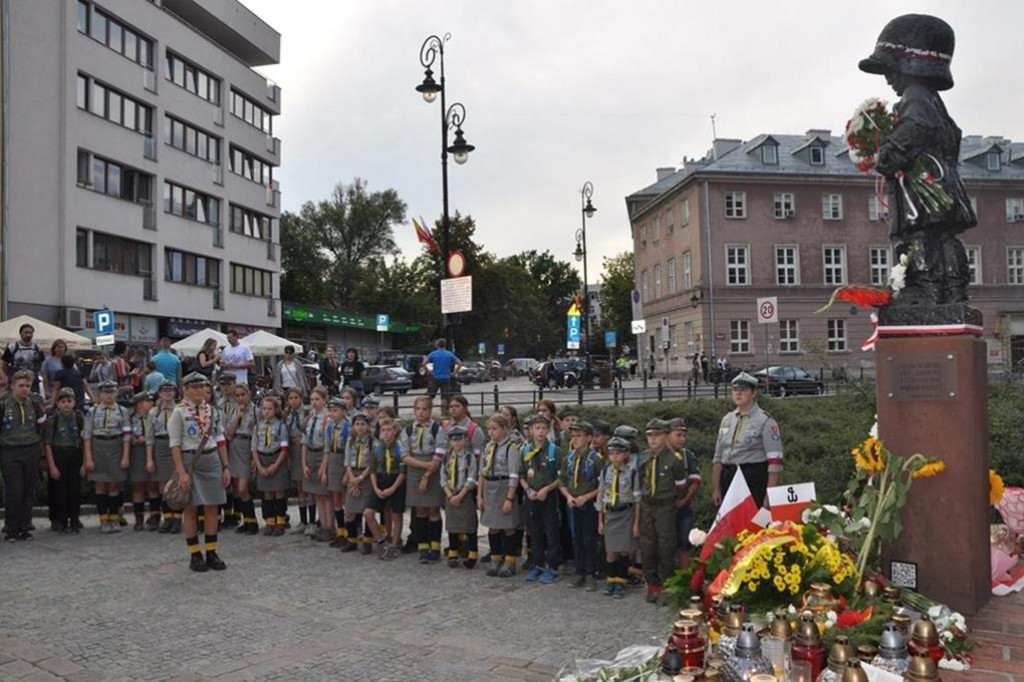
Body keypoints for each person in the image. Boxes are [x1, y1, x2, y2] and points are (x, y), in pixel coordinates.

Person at [168, 372, 230, 573]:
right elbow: (175, 445)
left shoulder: (212, 411)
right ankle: (195, 554)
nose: (199, 391)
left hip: (211, 460)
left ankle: (212, 551)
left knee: (213, 508)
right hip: (189, 461)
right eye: (194, 387)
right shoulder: (178, 413)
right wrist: (181, 473)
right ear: (185, 390)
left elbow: (220, 439)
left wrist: (226, 466)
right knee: (191, 509)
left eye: (202, 386)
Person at [712, 372, 784, 510]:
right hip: (728, 477)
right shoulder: (727, 420)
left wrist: (769, 494)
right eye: (735, 390)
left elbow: (775, 462)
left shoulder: (766, 421)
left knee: (753, 526)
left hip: (752, 478)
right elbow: (718, 457)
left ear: (753, 393)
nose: (738, 393)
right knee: (730, 528)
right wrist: (716, 488)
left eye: (743, 390)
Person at [638, 418, 689, 605]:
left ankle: (669, 585)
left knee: (666, 546)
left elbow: (682, 485)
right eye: (649, 435)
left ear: (666, 436)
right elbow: (641, 479)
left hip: (665, 506)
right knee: (648, 545)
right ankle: (653, 584)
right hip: (648, 505)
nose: (653, 439)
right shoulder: (643, 457)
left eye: (657, 435)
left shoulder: (673, 460)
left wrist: (674, 500)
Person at [0, 370, 47, 541]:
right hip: (10, 451)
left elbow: (42, 424)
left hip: (31, 449)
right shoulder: (4, 404)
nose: (24, 389)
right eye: (21, 386)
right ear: (12, 386)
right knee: (14, 491)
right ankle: (11, 528)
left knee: (29, 490)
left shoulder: (33, 404)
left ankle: (24, 527)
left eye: (27, 386)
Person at [82, 380, 131, 534]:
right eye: (105, 392)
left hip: (115, 447)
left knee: (114, 485)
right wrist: (88, 458)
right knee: (100, 485)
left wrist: (125, 456)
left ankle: (114, 518)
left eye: (112, 392)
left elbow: (127, 435)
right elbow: (87, 436)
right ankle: (103, 519)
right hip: (98, 447)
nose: (109, 395)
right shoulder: (93, 411)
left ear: (116, 393)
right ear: (99, 394)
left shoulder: (123, 411)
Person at [559, 421, 603, 591]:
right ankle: (579, 572)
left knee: (589, 539)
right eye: (573, 436)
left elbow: (603, 485)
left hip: (589, 503)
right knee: (576, 538)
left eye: (579, 436)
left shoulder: (596, 460)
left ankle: (591, 573)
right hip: (572, 502)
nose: (575, 439)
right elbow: (562, 481)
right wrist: (568, 497)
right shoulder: (568, 459)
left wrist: (586, 496)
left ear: (589, 438)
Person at [520, 414, 562, 584]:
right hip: (531, 495)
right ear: (530, 431)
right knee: (534, 531)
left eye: (544, 428)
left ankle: (553, 566)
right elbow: (521, 474)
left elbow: (562, 477)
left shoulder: (555, 451)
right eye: (537, 428)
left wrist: (547, 489)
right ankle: (538, 564)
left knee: (551, 531)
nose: (540, 432)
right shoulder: (525, 450)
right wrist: (527, 489)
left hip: (549, 495)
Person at [401, 396, 444, 563]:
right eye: (418, 409)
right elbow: (405, 455)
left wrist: (428, 473)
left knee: (433, 509)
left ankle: (435, 546)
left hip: (433, 469)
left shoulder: (436, 429)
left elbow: (439, 453)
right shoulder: (408, 430)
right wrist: (424, 466)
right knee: (420, 509)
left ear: (430, 411)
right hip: (415, 468)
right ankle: (423, 546)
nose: (421, 412)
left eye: (424, 409)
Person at [478, 413, 521, 578]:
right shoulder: (488, 447)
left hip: (504, 487)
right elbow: (482, 473)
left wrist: (509, 498)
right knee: (493, 525)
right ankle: (495, 558)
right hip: (489, 486)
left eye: (495, 429)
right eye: (489, 429)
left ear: (504, 429)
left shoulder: (511, 448)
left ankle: (510, 561)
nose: (491, 432)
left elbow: (514, 475)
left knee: (508, 526)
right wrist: (479, 496)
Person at [597, 436, 640, 598]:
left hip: (626, 513)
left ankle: (621, 582)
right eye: (611, 453)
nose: (614, 456)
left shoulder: (632, 473)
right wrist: (600, 520)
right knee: (610, 551)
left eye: (618, 453)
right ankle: (611, 580)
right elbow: (600, 497)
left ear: (626, 455)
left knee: (624, 551)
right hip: (610, 514)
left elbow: (637, 499)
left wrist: (636, 523)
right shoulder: (605, 472)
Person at [43, 387, 84, 534]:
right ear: (58, 404)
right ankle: (60, 520)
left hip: (75, 454)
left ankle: (74, 519)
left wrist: (85, 463)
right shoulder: (53, 420)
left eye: (69, 401)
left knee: (74, 489)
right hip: (58, 454)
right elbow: (47, 443)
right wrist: (52, 466)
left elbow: (84, 440)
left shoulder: (79, 418)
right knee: (59, 490)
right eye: (63, 401)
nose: (66, 404)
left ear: (74, 402)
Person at [365, 417, 406, 561]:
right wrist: (376, 488)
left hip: (396, 482)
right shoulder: (377, 448)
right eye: (383, 430)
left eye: (389, 430)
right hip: (381, 481)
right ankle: (381, 541)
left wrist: (392, 489)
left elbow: (402, 473)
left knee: (396, 515)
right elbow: (372, 471)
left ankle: (394, 544)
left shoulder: (400, 448)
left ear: (395, 431)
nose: (386, 433)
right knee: (368, 513)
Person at [440, 424, 479, 569]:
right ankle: (453, 552)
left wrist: (461, 495)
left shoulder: (469, 458)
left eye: (460, 439)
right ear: (450, 441)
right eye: (454, 440)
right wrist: (450, 495)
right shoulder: (447, 457)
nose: (457, 443)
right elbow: (443, 477)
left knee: (469, 525)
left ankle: (472, 554)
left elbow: (471, 477)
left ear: (465, 440)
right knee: (452, 526)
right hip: (451, 494)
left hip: (465, 495)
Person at [667, 417, 702, 570]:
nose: (682, 439)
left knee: (684, 543)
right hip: (663, 508)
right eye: (678, 435)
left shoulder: (687, 456)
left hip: (683, 507)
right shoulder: (659, 455)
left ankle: (685, 579)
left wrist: (684, 500)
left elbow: (695, 481)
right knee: (665, 544)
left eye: (684, 435)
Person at [252, 396, 289, 537]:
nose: (266, 412)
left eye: (269, 409)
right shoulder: (258, 426)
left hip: (277, 459)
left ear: (275, 410)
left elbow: (284, 448)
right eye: (264, 409)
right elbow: (254, 447)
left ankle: (280, 522)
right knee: (267, 493)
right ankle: (269, 521)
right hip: (263, 458)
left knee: (278, 491)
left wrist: (275, 465)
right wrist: (259, 466)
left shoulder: (281, 426)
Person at [226, 383, 260, 535]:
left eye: (243, 394)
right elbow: (228, 433)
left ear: (249, 394)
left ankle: (253, 522)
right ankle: (246, 521)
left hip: (248, 446)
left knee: (243, 487)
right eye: (237, 395)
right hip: (234, 446)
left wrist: (254, 456)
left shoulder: (256, 411)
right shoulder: (233, 410)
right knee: (236, 488)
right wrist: (237, 417)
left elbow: (258, 433)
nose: (240, 398)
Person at [149, 380, 180, 534]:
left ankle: (177, 518)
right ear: (159, 393)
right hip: (160, 445)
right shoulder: (153, 412)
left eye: (170, 390)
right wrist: (149, 458)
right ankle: (167, 518)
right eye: (164, 391)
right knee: (163, 485)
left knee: (177, 483)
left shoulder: (180, 410)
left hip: (176, 445)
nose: (168, 394)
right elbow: (150, 437)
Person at [300, 387, 331, 542]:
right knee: (317, 495)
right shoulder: (311, 418)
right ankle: (323, 525)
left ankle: (328, 526)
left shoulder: (328, 418)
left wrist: (323, 468)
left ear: (325, 400)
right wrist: (304, 463)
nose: (314, 402)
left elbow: (327, 445)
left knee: (325, 494)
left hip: (322, 455)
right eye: (312, 399)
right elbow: (304, 441)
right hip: (311, 454)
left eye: (317, 399)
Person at [283, 387, 314, 534]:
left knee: (309, 487)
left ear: (301, 398)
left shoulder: (307, 412)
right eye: (291, 398)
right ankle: (303, 520)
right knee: (299, 486)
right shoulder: (287, 414)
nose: (293, 401)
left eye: (296, 397)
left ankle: (313, 521)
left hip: (304, 449)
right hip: (293, 451)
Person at [342, 411, 375, 554]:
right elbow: (347, 461)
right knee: (350, 510)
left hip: (365, 475)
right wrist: (352, 479)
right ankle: (352, 540)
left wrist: (360, 478)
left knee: (366, 509)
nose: (360, 427)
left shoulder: (373, 441)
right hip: (352, 474)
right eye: (357, 424)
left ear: (368, 426)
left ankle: (368, 540)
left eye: (363, 424)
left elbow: (372, 463)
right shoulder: (350, 440)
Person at [127, 391, 158, 531]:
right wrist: (132, 438)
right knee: (138, 485)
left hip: (152, 450)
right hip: (137, 453)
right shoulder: (130, 418)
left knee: (152, 485)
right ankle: (138, 518)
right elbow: (125, 432)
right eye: (148, 401)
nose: (151, 404)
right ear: (139, 404)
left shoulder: (155, 416)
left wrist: (146, 438)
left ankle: (155, 516)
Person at [319, 396, 348, 544]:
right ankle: (340, 531)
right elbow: (326, 449)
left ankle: (350, 532)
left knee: (346, 499)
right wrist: (324, 470)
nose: (332, 414)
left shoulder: (348, 427)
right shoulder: (329, 427)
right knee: (336, 499)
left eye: (336, 410)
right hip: (333, 462)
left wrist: (347, 471)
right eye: (330, 410)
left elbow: (350, 450)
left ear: (343, 411)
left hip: (344, 461)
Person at [2, 324, 44, 390]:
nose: (28, 335)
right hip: (15, 381)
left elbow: (41, 363)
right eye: (26, 332)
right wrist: (11, 376)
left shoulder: (38, 348)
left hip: (33, 381)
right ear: (21, 334)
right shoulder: (12, 348)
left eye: (30, 333)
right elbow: (4, 364)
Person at [426, 338, 461, 405]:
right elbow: (460, 363)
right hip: (446, 378)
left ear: (437, 345)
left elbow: (423, 363)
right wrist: (454, 373)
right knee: (445, 397)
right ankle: (444, 413)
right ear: (444, 345)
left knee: (429, 396)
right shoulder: (449, 354)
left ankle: (427, 409)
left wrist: (428, 371)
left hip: (435, 377)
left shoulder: (433, 354)